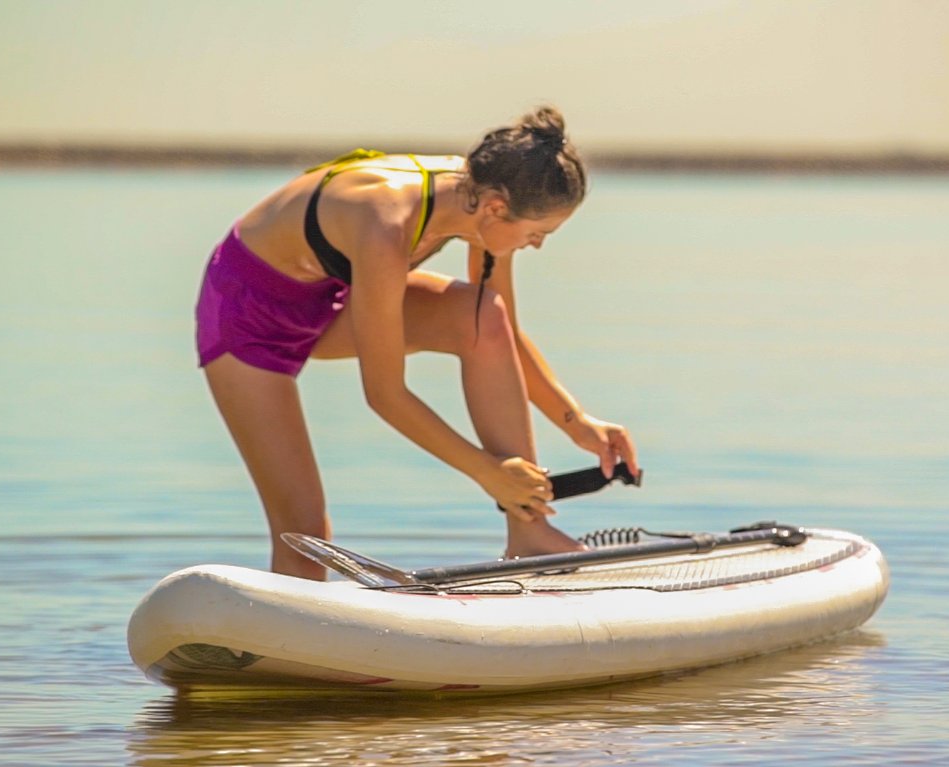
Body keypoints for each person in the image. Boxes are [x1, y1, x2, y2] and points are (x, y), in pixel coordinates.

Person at [195, 106, 640, 580]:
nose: (536, 245)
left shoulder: (484, 198)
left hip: (333, 300)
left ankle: (528, 532)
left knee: (484, 314)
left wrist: (575, 421)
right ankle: (281, 642)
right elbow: (385, 394)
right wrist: (487, 472)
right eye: (536, 233)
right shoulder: (386, 222)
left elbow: (499, 336)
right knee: (305, 534)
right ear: (495, 208)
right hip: (246, 317)